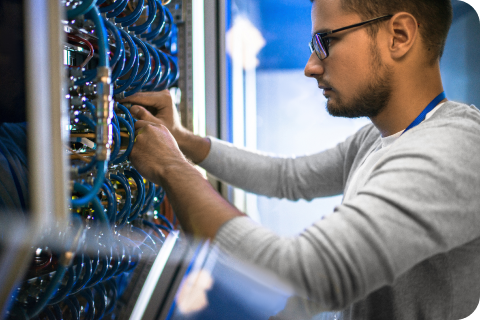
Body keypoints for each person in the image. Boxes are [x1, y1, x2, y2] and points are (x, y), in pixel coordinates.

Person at [121, 0, 480, 318]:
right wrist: (182, 141)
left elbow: (306, 272)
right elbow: (288, 176)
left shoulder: (455, 149)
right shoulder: (377, 138)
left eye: (325, 42)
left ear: (399, 36)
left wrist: (171, 168)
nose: (311, 67)